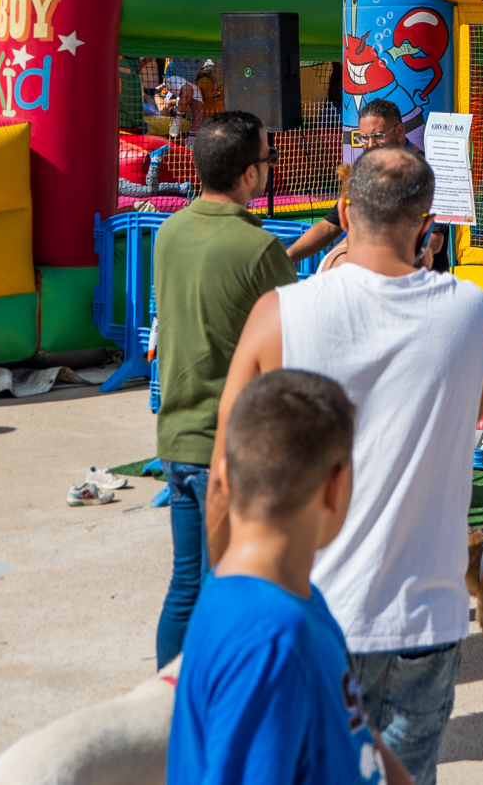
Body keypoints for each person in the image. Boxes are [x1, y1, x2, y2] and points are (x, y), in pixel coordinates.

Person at [210, 147, 483, 785]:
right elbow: (472, 411)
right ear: (428, 225)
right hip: (426, 616)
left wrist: (226, 594)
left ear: (342, 214)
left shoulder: (280, 312)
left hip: (305, 605)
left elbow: (225, 471)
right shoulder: (472, 309)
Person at [168, 369, 410, 785]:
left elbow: (355, 731)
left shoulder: (287, 597)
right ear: (334, 487)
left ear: (224, 475)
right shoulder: (272, 638)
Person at [152, 109, 294, 667]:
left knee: (186, 582)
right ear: (249, 173)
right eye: (269, 157)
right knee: (231, 586)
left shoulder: (169, 232)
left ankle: (169, 694)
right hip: (231, 448)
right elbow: (290, 344)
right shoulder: (258, 249)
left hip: (177, 436)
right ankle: (220, 694)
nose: (270, 166)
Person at [284, 100, 408, 268]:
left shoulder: (425, 172)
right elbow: (329, 226)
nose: (370, 145)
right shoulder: (364, 173)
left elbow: (435, 240)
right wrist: (285, 258)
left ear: (399, 131)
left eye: (378, 137)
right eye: (364, 138)